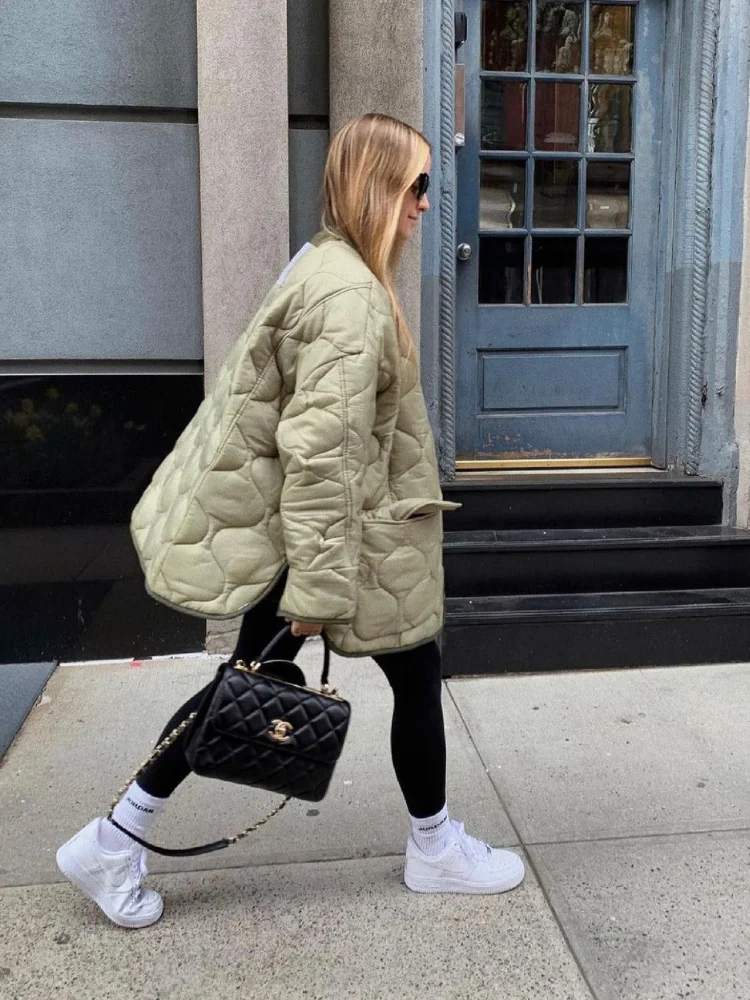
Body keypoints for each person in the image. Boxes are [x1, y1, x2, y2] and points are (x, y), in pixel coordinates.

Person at [56, 113, 525, 928]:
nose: (425, 203)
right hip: (330, 541)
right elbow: (322, 454)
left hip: (350, 535)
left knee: (386, 674)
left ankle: (430, 842)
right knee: (264, 683)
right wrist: (315, 589)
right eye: (416, 185)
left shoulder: (329, 266)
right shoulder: (349, 298)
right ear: (377, 186)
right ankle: (116, 837)